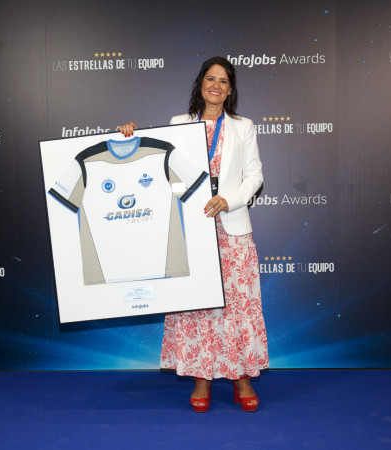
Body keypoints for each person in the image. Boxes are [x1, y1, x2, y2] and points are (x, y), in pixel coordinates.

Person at [118, 56, 268, 412]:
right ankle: (202, 377)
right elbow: (156, 163)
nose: (216, 86)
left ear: (230, 90)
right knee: (197, 305)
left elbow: (255, 176)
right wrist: (129, 136)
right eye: (210, 79)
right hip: (191, 229)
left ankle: (242, 377)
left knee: (238, 305)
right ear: (200, 83)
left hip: (231, 229)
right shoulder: (179, 124)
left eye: (223, 81)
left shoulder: (243, 127)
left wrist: (229, 199)